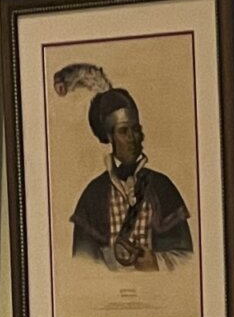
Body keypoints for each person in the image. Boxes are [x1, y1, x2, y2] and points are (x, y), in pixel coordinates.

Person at [53, 64, 192, 270]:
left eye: (136, 130)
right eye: (124, 131)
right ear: (110, 137)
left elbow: (188, 262)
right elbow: (81, 270)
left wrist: (156, 263)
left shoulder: (162, 187)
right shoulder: (92, 196)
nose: (132, 138)